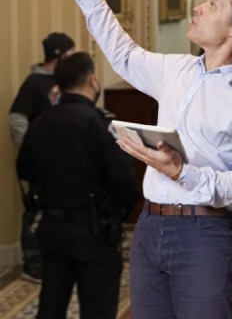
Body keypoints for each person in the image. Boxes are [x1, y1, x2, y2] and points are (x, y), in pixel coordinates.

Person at [53, 0, 232, 318]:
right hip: (149, 227)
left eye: (212, 4)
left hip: (205, 236)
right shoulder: (177, 70)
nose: (197, 8)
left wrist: (183, 173)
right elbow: (122, 53)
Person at [16, 52, 138, 319]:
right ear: (93, 81)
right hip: (94, 230)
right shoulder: (99, 124)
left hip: (51, 227)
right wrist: (116, 215)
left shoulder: (39, 123)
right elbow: (124, 179)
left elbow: (23, 169)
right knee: (98, 307)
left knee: (51, 303)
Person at [9, 32, 75, 283]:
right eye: (69, 54)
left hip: (64, 162)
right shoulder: (34, 83)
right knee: (35, 209)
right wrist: (35, 148)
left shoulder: (65, 81)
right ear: (58, 56)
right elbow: (16, 118)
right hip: (41, 162)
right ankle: (32, 262)